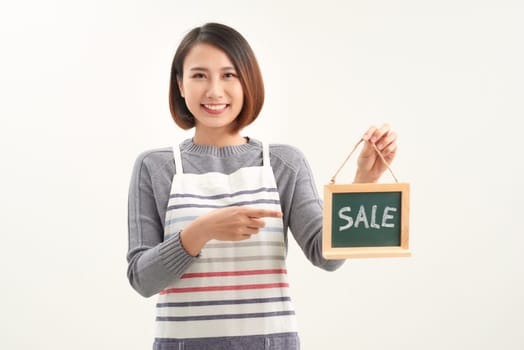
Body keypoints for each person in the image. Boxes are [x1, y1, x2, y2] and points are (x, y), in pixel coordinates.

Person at [127, 22, 397, 350]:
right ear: (180, 85)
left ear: (248, 83)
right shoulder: (155, 167)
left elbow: (327, 257)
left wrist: (364, 181)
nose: (214, 90)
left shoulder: (282, 163)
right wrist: (202, 230)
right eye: (199, 75)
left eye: (229, 75)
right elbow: (142, 279)